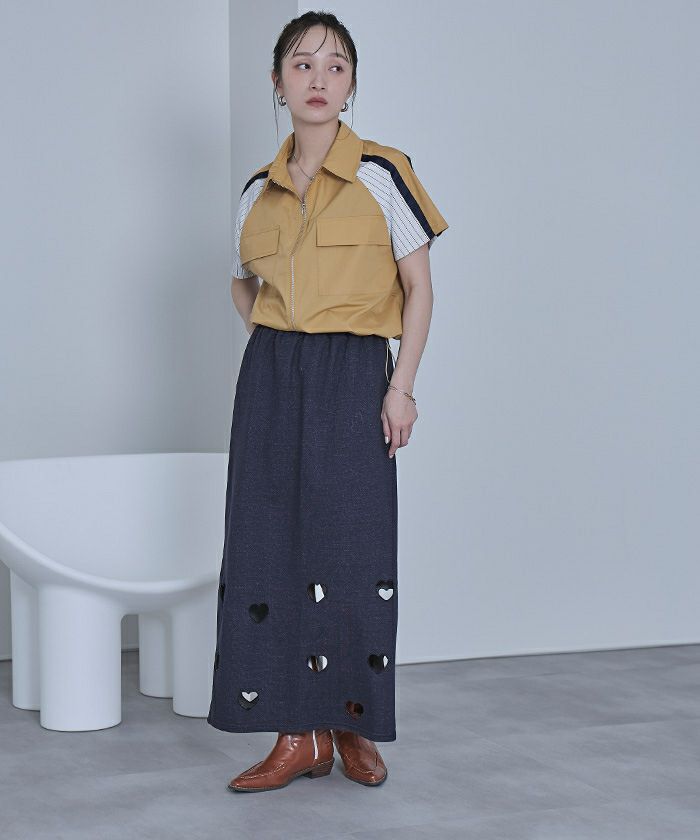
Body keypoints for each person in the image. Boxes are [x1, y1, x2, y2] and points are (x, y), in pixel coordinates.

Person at [206, 10, 448, 793]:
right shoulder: (257, 190)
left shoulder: (382, 172)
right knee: (269, 547)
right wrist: (276, 339)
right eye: (302, 64)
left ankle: (351, 721)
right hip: (273, 376)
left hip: (355, 372)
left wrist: (400, 387)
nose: (319, 79)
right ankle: (296, 734)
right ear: (277, 82)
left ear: (351, 85)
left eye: (335, 65)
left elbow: (419, 288)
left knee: (352, 548)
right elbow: (241, 281)